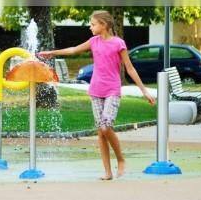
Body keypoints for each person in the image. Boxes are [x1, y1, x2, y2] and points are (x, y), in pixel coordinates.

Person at [38, 10, 155, 180]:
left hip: (112, 90)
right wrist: (52, 53)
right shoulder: (94, 41)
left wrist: (144, 90)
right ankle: (107, 172)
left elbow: (129, 68)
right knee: (101, 132)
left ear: (104, 25)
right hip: (95, 91)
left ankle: (121, 159)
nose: (90, 27)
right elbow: (73, 50)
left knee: (105, 127)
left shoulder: (118, 43)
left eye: (93, 24)